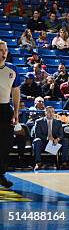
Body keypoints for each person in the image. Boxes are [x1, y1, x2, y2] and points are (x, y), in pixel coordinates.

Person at [0, 40, 21, 188]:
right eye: (0, 50)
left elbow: (16, 92)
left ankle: (0, 174)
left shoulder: (12, 69)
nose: (3, 53)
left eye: (5, 50)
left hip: (5, 110)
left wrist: (16, 112)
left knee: (6, 144)